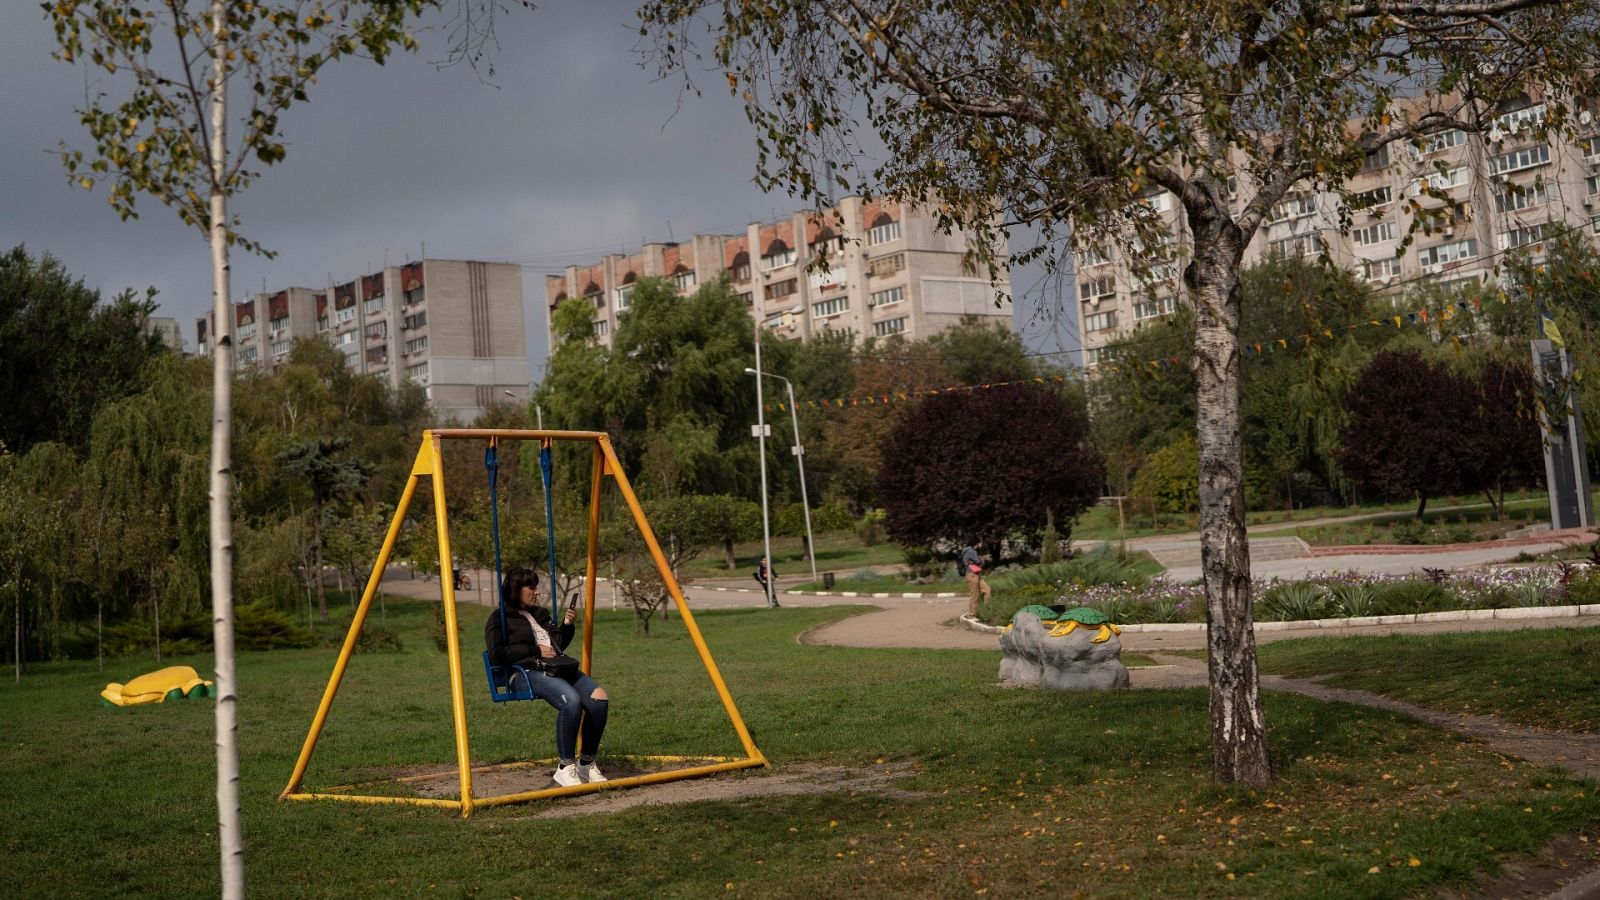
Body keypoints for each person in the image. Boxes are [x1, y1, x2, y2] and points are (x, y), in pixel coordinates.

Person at [484, 567, 609, 787]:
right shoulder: (500, 618)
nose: (537, 592)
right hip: (524, 673)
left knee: (599, 699)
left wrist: (567, 625)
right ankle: (565, 766)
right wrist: (535, 650)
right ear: (516, 589)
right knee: (571, 701)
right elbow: (498, 654)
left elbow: (558, 646)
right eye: (531, 587)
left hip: (556, 669)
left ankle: (586, 764)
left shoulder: (539, 614)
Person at [958, 539, 991, 622]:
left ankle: (986, 611)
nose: (980, 544)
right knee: (974, 595)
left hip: (975, 574)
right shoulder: (970, 551)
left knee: (987, 590)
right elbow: (978, 561)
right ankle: (971, 615)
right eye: (979, 543)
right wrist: (981, 559)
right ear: (976, 543)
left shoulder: (969, 550)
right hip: (971, 575)